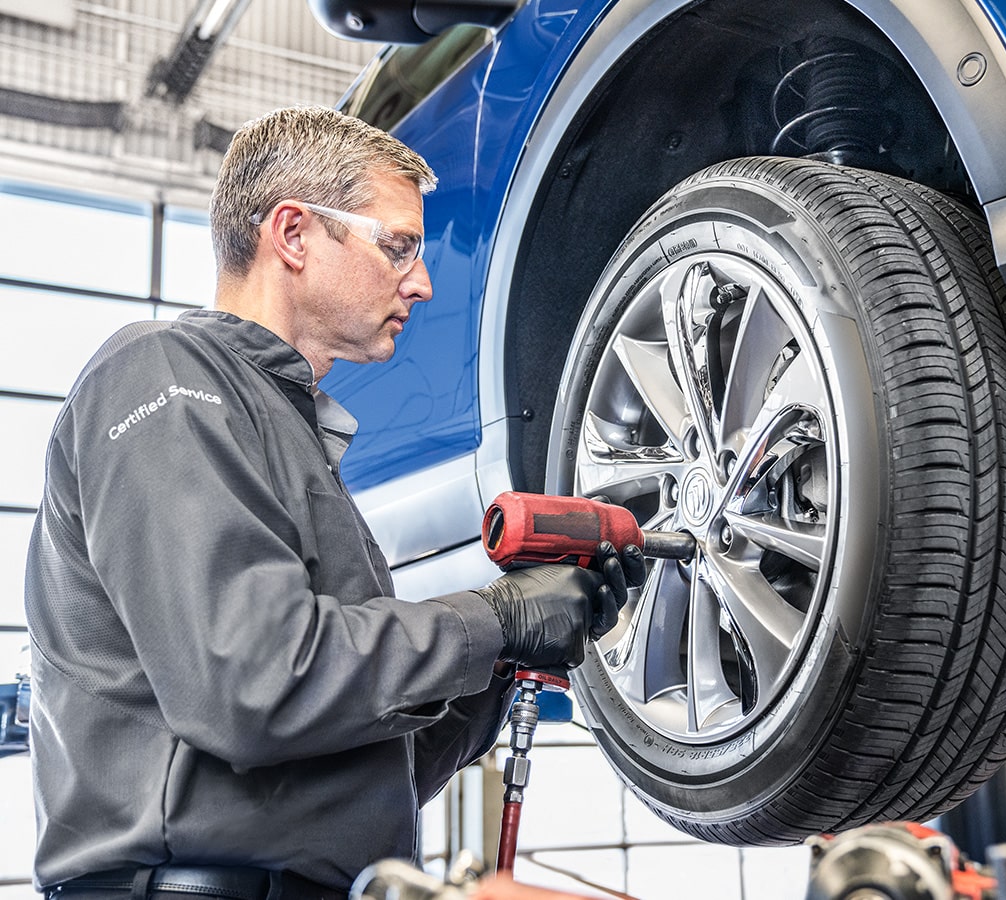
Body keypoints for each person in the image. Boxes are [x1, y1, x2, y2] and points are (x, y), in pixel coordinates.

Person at [24, 105, 644, 900]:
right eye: (398, 246)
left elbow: (367, 769)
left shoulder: (291, 439)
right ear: (292, 234)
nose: (419, 281)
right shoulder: (162, 377)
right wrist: (499, 617)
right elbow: (253, 681)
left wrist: (506, 656)